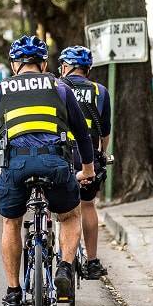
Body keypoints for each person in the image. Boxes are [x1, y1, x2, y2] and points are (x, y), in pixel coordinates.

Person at [0, 36, 96, 306]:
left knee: (11, 222)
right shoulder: (61, 87)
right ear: (43, 64)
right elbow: (81, 132)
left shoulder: (1, 90)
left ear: (14, 64)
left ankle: (14, 291)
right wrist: (87, 168)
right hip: (56, 164)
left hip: (16, 166)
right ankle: (65, 267)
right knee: (69, 215)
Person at [57, 45, 112, 280]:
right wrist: (102, 154)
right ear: (87, 69)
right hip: (87, 154)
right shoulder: (100, 92)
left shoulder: (57, 88)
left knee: (61, 207)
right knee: (87, 205)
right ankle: (91, 262)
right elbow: (105, 132)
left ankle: (61, 257)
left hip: (61, 154)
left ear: (66, 67)